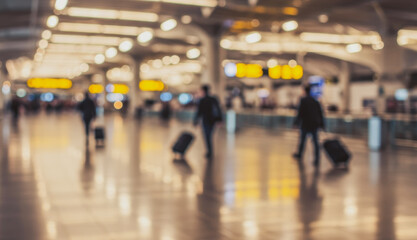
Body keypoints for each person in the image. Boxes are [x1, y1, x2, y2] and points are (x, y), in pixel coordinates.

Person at [293, 85, 325, 167]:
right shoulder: (315, 101)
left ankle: (300, 155)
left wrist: (296, 123)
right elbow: (320, 113)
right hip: (314, 124)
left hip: (305, 124)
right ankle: (317, 158)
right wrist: (322, 124)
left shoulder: (303, 101)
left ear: (304, 91)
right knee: (315, 142)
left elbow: (300, 113)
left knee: (302, 141)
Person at [194, 85, 222, 159]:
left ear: (203, 91)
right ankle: (210, 151)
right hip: (213, 120)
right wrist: (219, 120)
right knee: (209, 136)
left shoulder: (202, 100)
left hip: (206, 120)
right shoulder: (214, 99)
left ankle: (209, 151)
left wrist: (195, 121)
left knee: (207, 136)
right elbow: (218, 109)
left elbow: (199, 112)